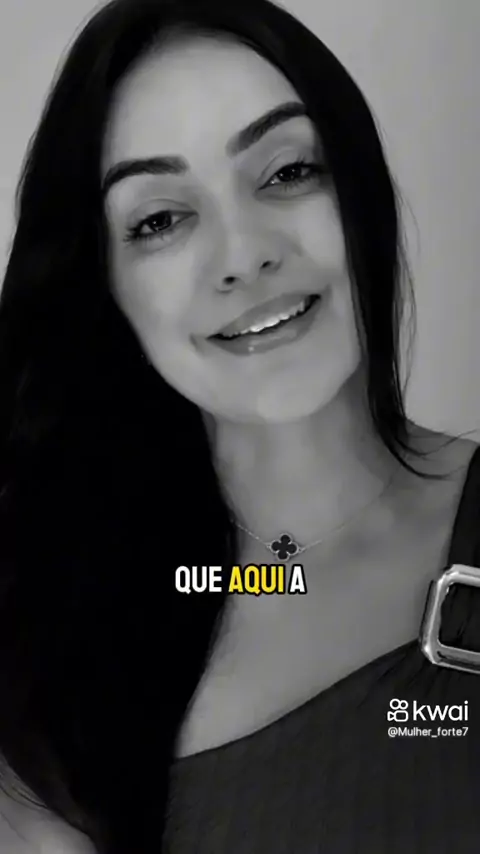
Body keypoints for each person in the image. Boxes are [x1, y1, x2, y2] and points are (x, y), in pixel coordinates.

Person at [0, 0, 479, 851]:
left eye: (287, 171)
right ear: (104, 287)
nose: (244, 254)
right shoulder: (42, 652)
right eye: (159, 219)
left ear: (358, 187)